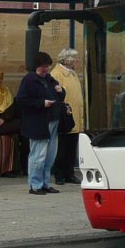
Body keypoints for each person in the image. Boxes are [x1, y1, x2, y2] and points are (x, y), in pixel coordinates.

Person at [15, 52, 64, 195]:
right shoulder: (29, 80)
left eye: (47, 66)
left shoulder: (49, 79)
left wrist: (61, 91)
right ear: (36, 66)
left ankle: (45, 183)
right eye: (43, 67)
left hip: (52, 121)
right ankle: (35, 185)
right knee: (38, 155)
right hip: (37, 123)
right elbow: (21, 101)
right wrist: (41, 103)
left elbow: (59, 95)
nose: (46, 69)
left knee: (49, 156)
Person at [50, 48, 83, 185]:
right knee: (61, 146)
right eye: (74, 58)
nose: (76, 60)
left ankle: (69, 173)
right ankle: (59, 174)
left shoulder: (72, 74)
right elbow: (56, 95)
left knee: (71, 146)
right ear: (67, 59)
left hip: (74, 114)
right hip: (65, 115)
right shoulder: (57, 74)